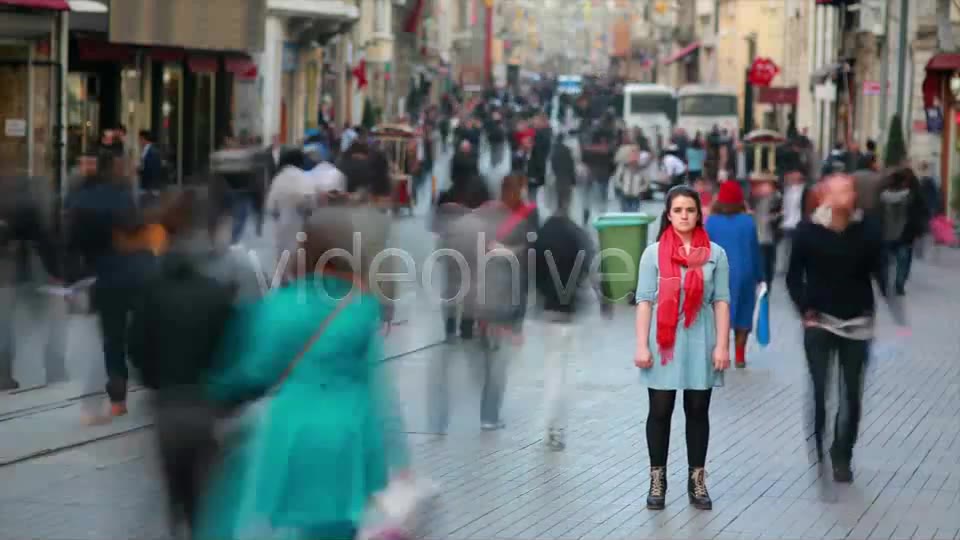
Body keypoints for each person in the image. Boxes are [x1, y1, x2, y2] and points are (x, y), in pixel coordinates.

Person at [194, 213, 410, 540]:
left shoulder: (278, 306)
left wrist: (212, 391)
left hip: (284, 438)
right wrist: (396, 460)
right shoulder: (361, 308)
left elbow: (246, 373)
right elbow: (379, 393)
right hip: (345, 448)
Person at [786, 174, 905, 484]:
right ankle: (819, 449)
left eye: (848, 191)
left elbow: (879, 271)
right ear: (823, 196)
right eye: (836, 191)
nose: (843, 197)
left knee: (851, 395)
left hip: (857, 322)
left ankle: (842, 455)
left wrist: (893, 307)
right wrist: (804, 310)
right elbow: (792, 276)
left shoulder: (867, 231)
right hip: (819, 322)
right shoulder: (807, 232)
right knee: (821, 390)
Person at [634, 186, 731, 511]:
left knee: (697, 410)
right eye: (678, 210)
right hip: (664, 343)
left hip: (700, 339)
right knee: (660, 411)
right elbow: (645, 301)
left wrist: (721, 345)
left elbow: (721, 301)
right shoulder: (653, 253)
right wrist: (641, 346)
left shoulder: (716, 254)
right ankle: (657, 479)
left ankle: (697, 480)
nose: (684, 216)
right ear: (669, 214)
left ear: (698, 213)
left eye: (690, 210)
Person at [533, 201, 612, 450]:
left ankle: (550, 426)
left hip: (548, 315)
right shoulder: (576, 235)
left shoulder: (542, 234)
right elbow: (593, 269)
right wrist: (604, 299)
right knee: (562, 374)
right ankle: (556, 428)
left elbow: (530, 272)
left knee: (552, 371)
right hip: (569, 315)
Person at [705, 181, 761, 368]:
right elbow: (754, 249)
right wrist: (760, 275)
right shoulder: (748, 222)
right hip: (745, 272)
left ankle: (721, 351)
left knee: (718, 313)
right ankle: (739, 355)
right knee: (744, 312)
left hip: (719, 274)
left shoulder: (711, 222)